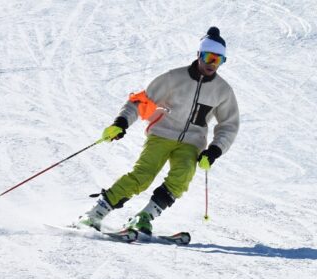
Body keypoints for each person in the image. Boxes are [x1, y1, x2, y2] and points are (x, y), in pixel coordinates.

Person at [77, 26, 239, 237]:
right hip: (162, 134)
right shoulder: (173, 78)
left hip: (192, 142)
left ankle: (144, 217)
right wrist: (122, 122)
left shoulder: (223, 91)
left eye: (218, 60)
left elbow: (229, 124)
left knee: (182, 177)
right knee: (142, 176)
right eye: (208, 57)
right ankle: (95, 213)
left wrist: (215, 150)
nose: (212, 64)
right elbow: (141, 102)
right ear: (199, 54)